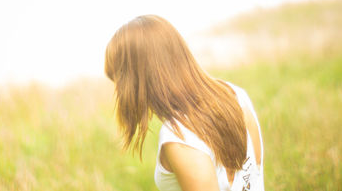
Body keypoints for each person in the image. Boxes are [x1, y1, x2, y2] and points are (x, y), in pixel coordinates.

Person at [104, 14, 264, 191]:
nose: (119, 91)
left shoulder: (179, 136)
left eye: (118, 79)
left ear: (136, 80)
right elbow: (254, 172)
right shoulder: (233, 93)